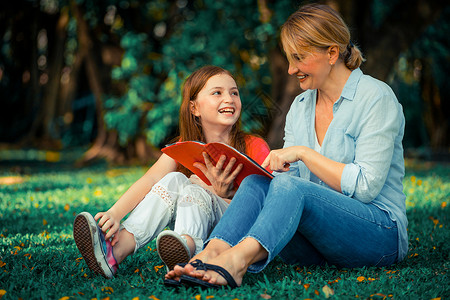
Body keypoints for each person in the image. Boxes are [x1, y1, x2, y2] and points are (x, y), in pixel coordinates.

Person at [166, 3, 407, 289]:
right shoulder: (301, 106)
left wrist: (304, 153)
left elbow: (366, 186)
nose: (291, 69)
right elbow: (285, 184)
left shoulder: (376, 97)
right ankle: (209, 254)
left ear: (331, 53)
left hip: (378, 234)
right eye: (289, 59)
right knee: (258, 182)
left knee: (292, 187)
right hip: (319, 243)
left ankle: (235, 262)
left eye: (299, 58)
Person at [72, 65, 270, 279]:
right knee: (175, 179)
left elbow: (268, 205)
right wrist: (115, 213)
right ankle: (117, 250)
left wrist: (218, 192)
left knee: (195, 189)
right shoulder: (185, 146)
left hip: (235, 233)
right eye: (217, 93)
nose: (229, 99)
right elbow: (150, 178)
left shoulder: (254, 145)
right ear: (194, 108)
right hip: (198, 222)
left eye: (234, 92)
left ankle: (192, 258)